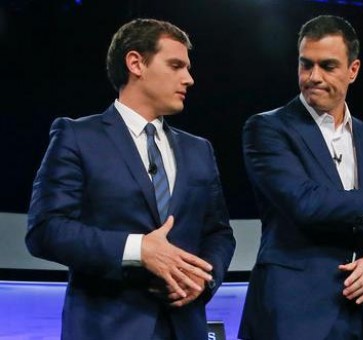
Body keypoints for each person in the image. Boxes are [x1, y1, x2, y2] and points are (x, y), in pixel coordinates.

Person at [26, 18, 236, 340]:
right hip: (108, 329)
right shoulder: (78, 136)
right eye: (176, 65)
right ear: (136, 63)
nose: (189, 79)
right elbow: (45, 230)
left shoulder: (199, 150)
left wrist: (203, 280)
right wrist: (139, 249)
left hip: (185, 327)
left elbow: (219, 233)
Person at [238, 14, 363, 340]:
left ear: (353, 70)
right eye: (306, 65)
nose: (313, 76)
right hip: (293, 316)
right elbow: (306, 203)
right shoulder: (267, 128)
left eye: (327, 66)